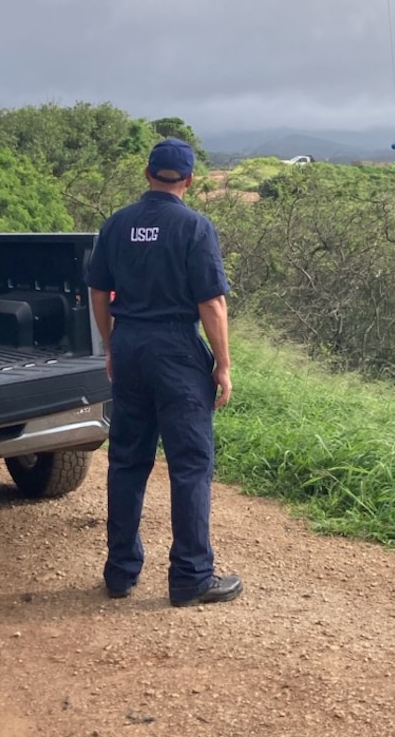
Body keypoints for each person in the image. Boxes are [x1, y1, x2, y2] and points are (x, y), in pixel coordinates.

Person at [85, 137, 242, 607]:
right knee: (190, 464)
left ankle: (120, 572)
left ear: (147, 174)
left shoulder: (117, 224)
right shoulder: (195, 226)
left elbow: (98, 293)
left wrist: (113, 346)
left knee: (127, 460)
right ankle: (192, 576)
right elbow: (211, 302)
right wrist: (223, 365)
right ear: (189, 181)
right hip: (176, 350)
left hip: (131, 344)